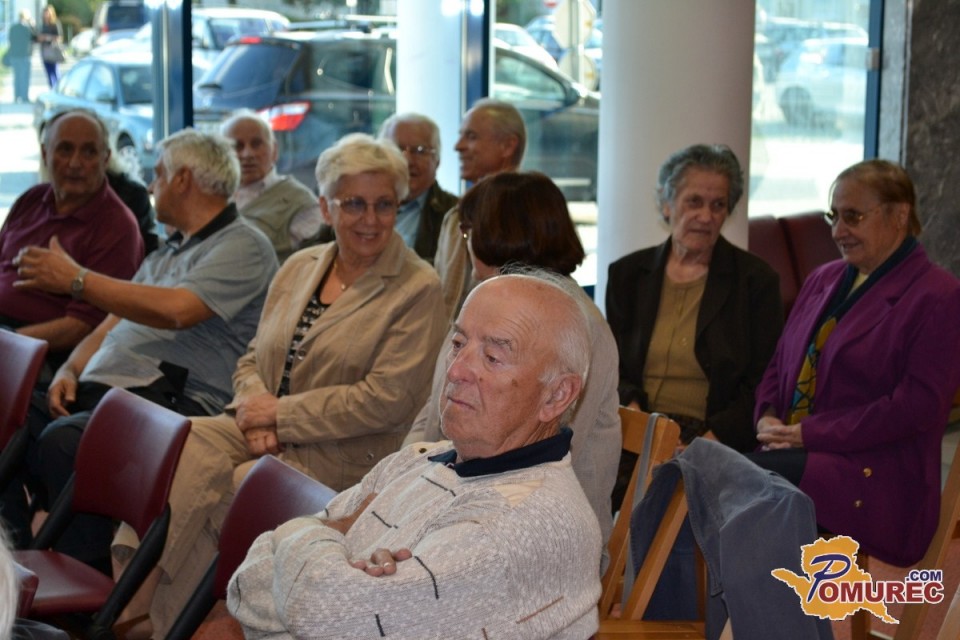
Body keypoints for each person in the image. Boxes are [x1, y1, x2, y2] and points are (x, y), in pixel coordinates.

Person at [111, 133, 448, 639]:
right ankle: (133, 601)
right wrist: (254, 407)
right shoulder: (299, 266)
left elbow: (386, 400)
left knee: (237, 486)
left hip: (342, 453)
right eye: (354, 203)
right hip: (257, 426)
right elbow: (253, 355)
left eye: (384, 205)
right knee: (182, 445)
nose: (371, 219)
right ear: (325, 207)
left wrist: (278, 416)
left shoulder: (418, 287)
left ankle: (159, 622)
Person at [228, 272, 602, 640]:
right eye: (458, 343)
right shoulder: (420, 457)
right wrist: (326, 567)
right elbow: (244, 587)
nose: (455, 370)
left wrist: (299, 533)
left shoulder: (519, 525)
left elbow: (319, 613)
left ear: (557, 395)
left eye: (492, 357)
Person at [3, 129, 277, 573]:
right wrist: (69, 369)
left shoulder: (244, 244)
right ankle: (11, 561)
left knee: (66, 442)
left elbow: (177, 311)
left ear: (183, 179)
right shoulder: (167, 252)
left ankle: (86, 586)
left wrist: (77, 279)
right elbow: (111, 321)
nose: (151, 185)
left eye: (159, 174)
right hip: (106, 392)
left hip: (169, 401)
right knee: (6, 416)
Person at [751, 159, 960, 568]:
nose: (837, 231)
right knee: (713, 484)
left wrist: (810, 434)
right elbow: (779, 362)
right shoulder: (822, 279)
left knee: (730, 487)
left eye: (853, 216)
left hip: (876, 476)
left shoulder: (939, 296)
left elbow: (916, 407)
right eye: (834, 216)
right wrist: (768, 415)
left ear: (899, 215)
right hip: (795, 455)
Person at [404, 171, 620, 565]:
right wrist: (404, 481)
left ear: (498, 233)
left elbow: (532, 462)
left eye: (468, 232)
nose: (467, 244)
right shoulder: (490, 306)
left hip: (536, 537)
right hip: (457, 501)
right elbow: (433, 410)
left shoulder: (573, 327)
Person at [606, 144, 783, 454]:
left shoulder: (755, 281)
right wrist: (640, 428)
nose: (706, 216)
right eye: (694, 202)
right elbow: (614, 366)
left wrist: (705, 444)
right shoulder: (628, 274)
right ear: (666, 203)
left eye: (718, 205)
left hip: (715, 437)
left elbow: (763, 381)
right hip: (640, 427)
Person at [0, 110, 144, 379]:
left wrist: (9, 343)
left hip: (43, 355)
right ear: (45, 154)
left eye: (89, 152)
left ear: (105, 159)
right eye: (65, 149)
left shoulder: (118, 228)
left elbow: (82, 328)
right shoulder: (31, 200)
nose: (76, 163)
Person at [433, 98, 526, 319]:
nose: (458, 146)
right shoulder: (455, 216)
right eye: (461, 135)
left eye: (471, 136)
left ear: (508, 146)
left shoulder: (527, 217)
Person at [221, 110, 322, 263]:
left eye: (256, 144)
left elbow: (317, 264)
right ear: (222, 154)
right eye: (237, 146)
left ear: (274, 150)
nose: (247, 154)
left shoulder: (300, 204)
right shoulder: (211, 195)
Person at [378, 112, 458, 263]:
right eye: (397, 149)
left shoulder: (455, 214)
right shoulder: (353, 206)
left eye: (419, 150)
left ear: (437, 160)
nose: (407, 160)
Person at [6, 11, 36, 104]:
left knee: (17, 77)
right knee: (25, 77)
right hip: (24, 55)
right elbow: (34, 37)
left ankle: (16, 96)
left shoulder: (13, 28)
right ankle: (24, 97)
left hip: (14, 55)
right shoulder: (27, 28)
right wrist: (32, 25)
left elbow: (10, 40)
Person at [37, 5, 62, 88]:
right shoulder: (42, 25)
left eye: (48, 13)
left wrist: (47, 37)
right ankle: (52, 89)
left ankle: (58, 88)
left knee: (55, 71)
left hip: (53, 50)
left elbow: (59, 37)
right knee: (49, 73)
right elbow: (38, 37)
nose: (46, 15)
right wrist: (40, 38)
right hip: (44, 51)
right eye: (45, 13)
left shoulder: (55, 24)